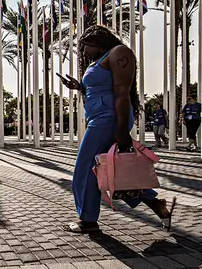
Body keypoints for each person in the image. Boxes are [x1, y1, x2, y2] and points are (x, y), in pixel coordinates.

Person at [59, 25, 175, 233]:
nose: (83, 53)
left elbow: (122, 92)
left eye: (83, 47)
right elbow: (100, 88)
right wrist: (80, 87)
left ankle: (87, 220)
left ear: (94, 41)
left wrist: (122, 131)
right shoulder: (100, 60)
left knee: (85, 170)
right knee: (114, 170)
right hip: (100, 119)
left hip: (108, 120)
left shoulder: (119, 53)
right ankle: (157, 205)